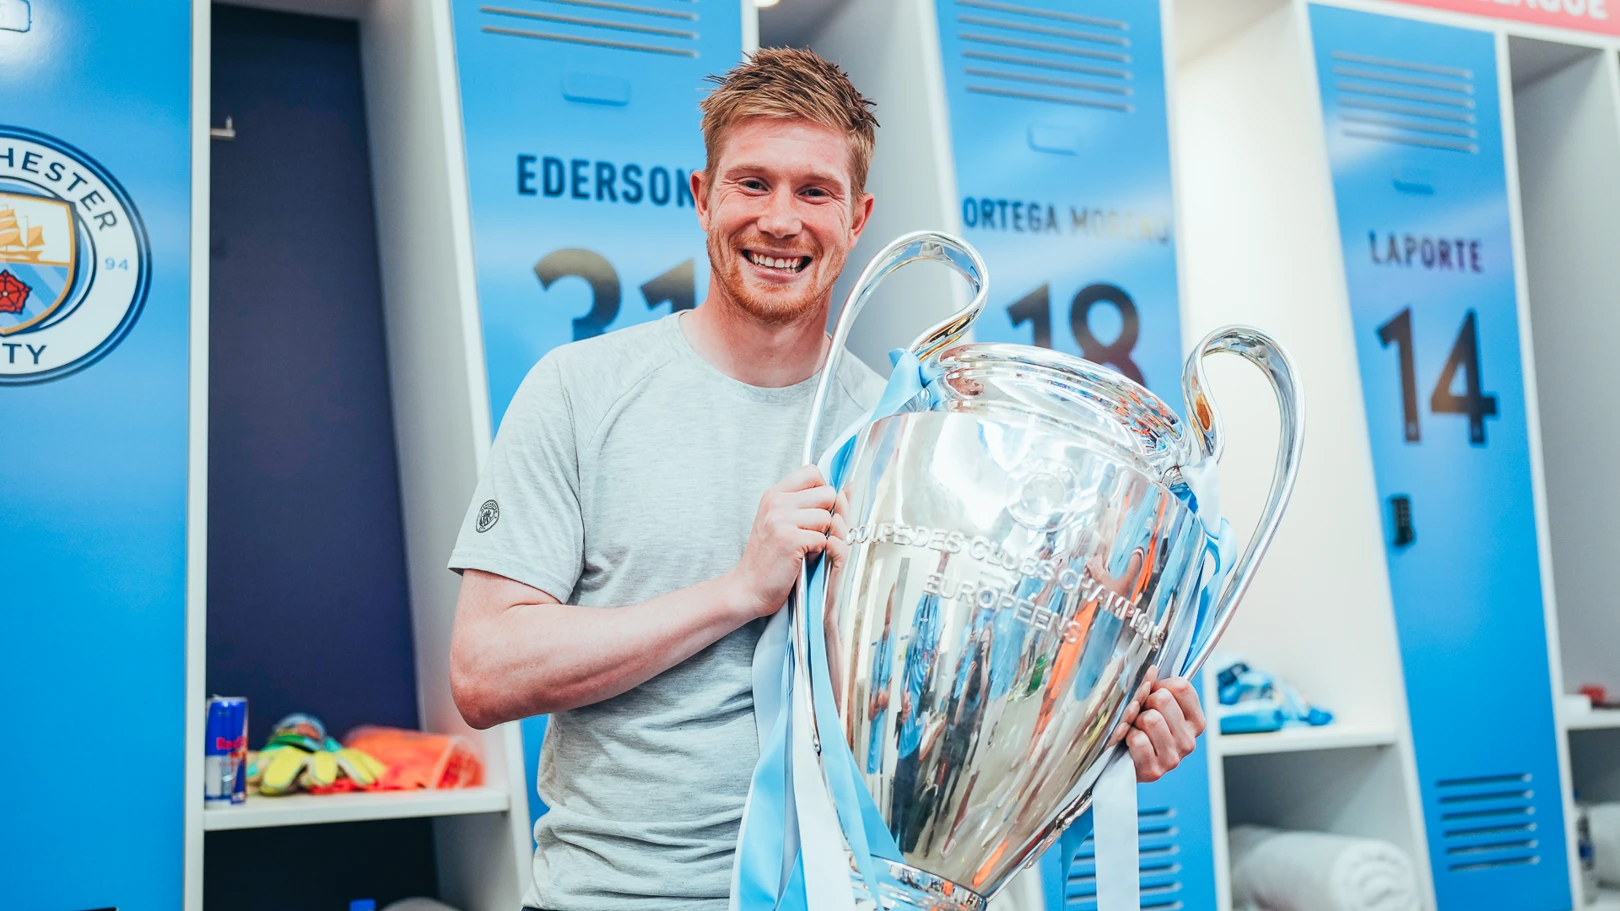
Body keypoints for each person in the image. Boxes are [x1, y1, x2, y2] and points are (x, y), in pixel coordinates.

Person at [446, 47, 1207, 911]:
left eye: (814, 192)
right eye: (751, 184)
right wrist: (736, 591)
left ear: (858, 218)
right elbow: (483, 671)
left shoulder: (907, 435)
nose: (780, 220)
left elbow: (953, 710)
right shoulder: (579, 390)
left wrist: (1100, 724)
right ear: (702, 199)